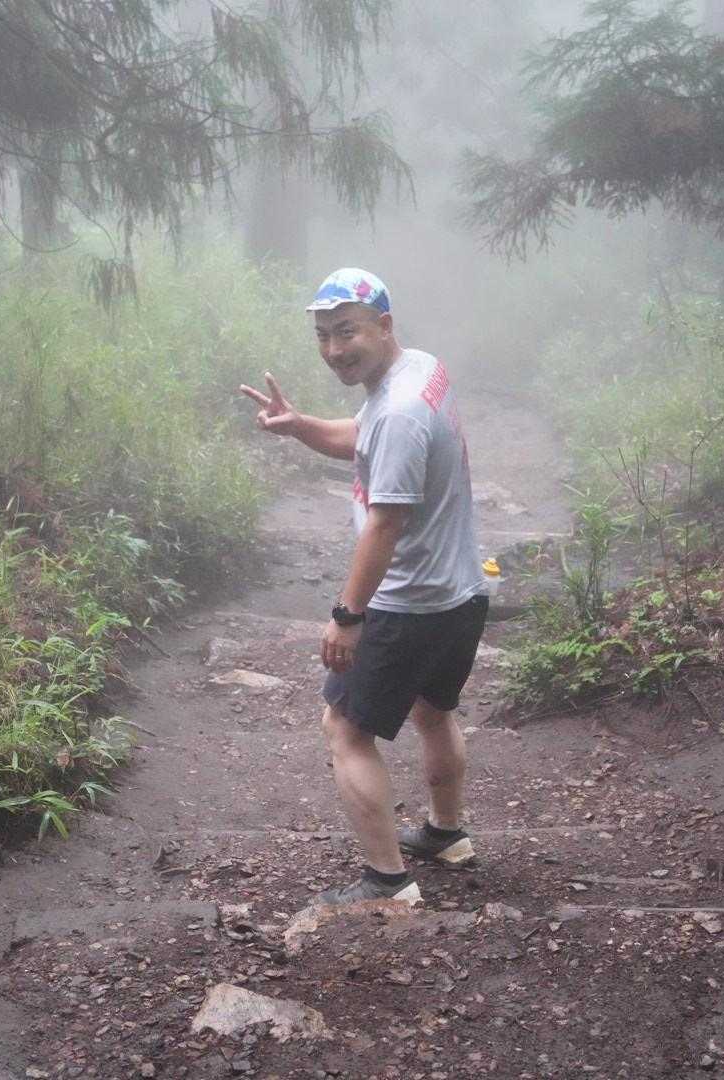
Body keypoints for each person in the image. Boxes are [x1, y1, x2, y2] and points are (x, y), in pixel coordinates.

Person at [238, 267, 488, 905]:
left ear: (384, 325)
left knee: (346, 730)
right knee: (432, 711)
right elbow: (363, 436)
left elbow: (385, 523)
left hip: (406, 604)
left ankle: (387, 881)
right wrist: (299, 425)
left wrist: (348, 615)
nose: (333, 349)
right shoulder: (419, 371)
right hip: (458, 591)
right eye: (323, 336)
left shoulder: (399, 411)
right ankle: (447, 835)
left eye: (346, 332)